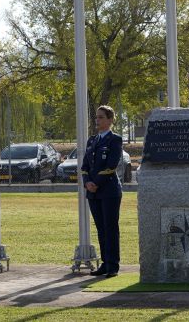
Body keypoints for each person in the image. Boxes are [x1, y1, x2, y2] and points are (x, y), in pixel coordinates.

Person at [81, 105, 123, 277]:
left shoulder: (115, 139)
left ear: (110, 120)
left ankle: (113, 265)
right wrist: (87, 183)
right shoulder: (92, 140)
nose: (97, 120)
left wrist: (96, 182)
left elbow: (111, 165)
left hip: (109, 190)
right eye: (97, 117)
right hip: (93, 192)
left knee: (110, 227)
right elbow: (84, 166)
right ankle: (105, 263)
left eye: (101, 117)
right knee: (100, 228)